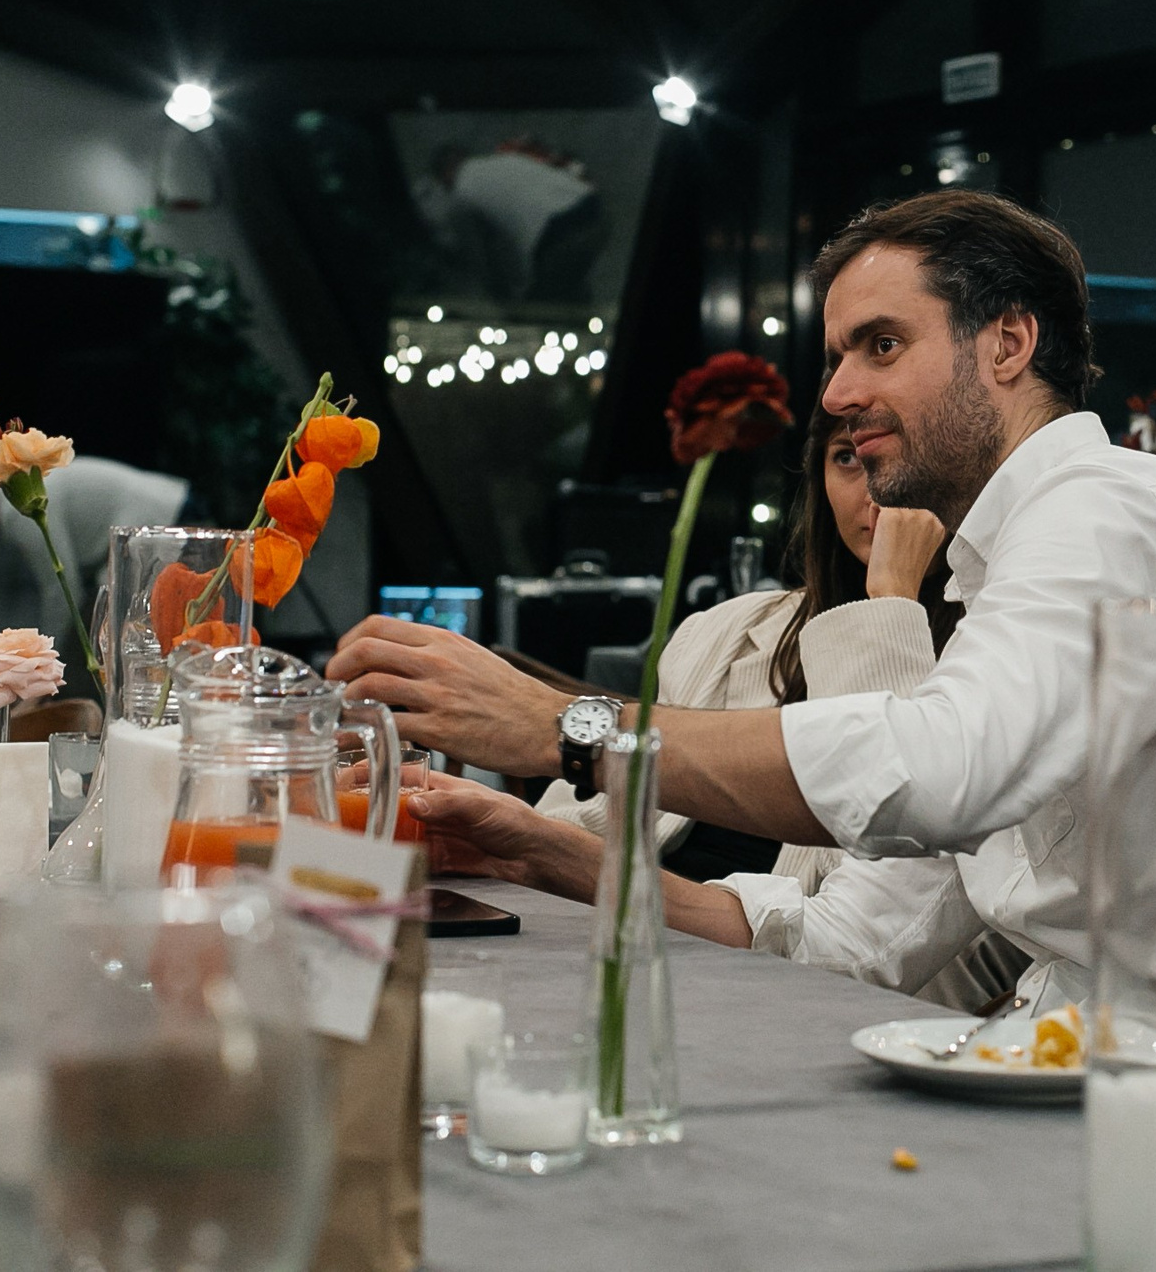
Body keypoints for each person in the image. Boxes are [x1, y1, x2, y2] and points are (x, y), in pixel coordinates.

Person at [332, 190, 1156, 1030]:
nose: (837, 393)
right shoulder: (1006, 584)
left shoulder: (1109, 508)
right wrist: (535, 849)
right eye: (838, 353)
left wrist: (568, 733)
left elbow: (937, 771)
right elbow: (849, 938)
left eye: (880, 346)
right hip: (1088, 1065)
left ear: (1007, 344)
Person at [421, 406, 1029, 1009]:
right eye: (847, 457)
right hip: (625, 964)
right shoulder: (728, 632)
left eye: (899, 457)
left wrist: (890, 597)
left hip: (803, 1011)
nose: (875, 487)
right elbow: (581, 823)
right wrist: (481, 820)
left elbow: (869, 916)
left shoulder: (991, 674)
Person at [0, 455, 186, 690]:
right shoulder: (19, 499)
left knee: (109, 634)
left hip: (165, 518)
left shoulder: (16, 513)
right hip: (167, 502)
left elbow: (61, 590)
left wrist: (45, 664)